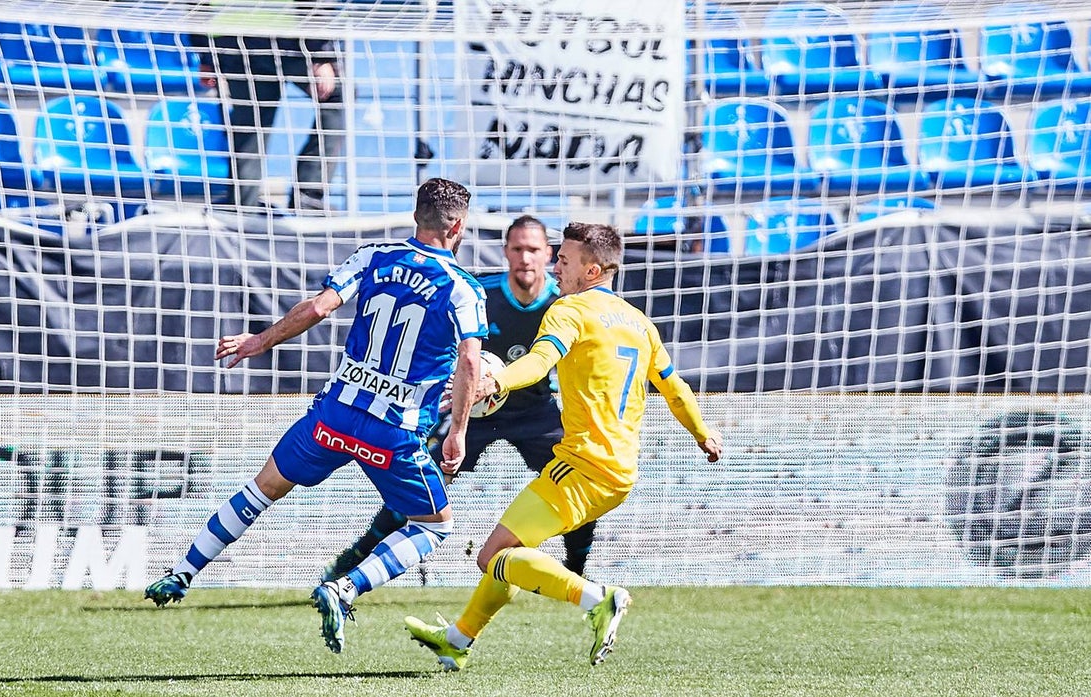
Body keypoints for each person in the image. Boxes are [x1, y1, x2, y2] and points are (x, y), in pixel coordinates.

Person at [144, 178, 488, 656]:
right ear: (459, 226)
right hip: (395, 431)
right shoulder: (463, 288)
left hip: (334, 414)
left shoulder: (373, 256)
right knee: (433, 526)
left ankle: (183, 571)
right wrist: (459, 431)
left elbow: (319, 307)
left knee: (261, 489)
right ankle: (344, 588)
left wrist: (258, 341)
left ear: (416, 216)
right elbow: (471, 361)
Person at [404, 222, 723, 671]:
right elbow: (675, 389)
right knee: (509, 553)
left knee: (492, 556)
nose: (556, 266)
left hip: (582, 466)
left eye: (564, 260)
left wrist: (496, 379)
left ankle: (597, 597)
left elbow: (536, 364)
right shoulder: (640, 323)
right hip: (620, 473)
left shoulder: (569, 309)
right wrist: (703, 434)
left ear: (592, 270)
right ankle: (457, 638)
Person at [320, 215, 598, 583]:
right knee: (419, 481)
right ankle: (359, 554)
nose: (525, 258)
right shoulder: (481, 293)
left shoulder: (565, 305)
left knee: (577, 479)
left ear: (549, 254)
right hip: (472, 412)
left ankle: (577, 569)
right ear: (506, 253)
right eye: (517, 249)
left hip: (535, 410)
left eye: (534, 250)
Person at [190, 19, 343, 212]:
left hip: (233, 42)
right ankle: (307, 199)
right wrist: (321, 54)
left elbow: (196, 7)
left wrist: (206, 56)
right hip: (286, 41)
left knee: (250, 128)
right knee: (337, 95)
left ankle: (244, 207)